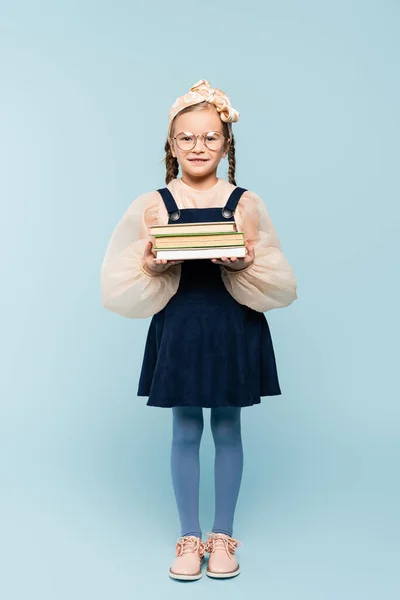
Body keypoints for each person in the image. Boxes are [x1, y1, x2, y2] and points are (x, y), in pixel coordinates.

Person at [100, 79, 298, 581]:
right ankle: (189, 536)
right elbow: (123, 275)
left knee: (228, 426)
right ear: (171, 144)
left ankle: (223, 536)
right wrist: (148, 263)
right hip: (181, 323)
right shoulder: (153, 204)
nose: (198, 147)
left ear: (226, 144)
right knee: (185, 427)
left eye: (210, 137)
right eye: (187, 138)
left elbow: (276, 273)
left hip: (232, 322)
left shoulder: (246, 203)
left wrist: (244, 261)